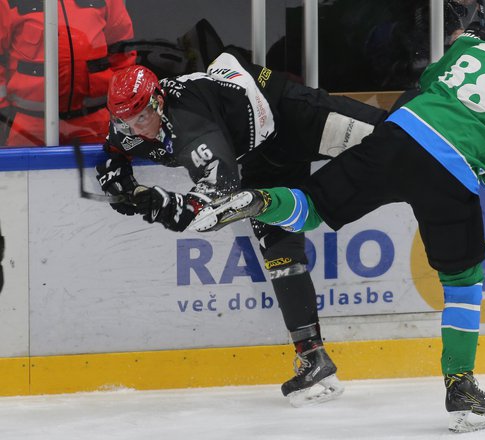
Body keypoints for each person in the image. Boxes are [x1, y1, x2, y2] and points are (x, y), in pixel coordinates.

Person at [204, 6, 485, 433]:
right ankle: (460, 386)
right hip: (450, 170)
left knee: (311, 207)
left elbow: (427, 84)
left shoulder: (469, 47)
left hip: (399, 134)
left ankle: (256, 200)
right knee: (463, 281)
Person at [95, 48, 387, 407]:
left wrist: (160, 203)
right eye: (126, 122)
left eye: (141, 118)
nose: (136, 130)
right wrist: (117, 179)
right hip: (258, 163)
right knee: (281, 257)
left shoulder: (191, 122)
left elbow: (218, 197)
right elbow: (113, 149)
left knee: (397, 138)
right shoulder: (130, 122)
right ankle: (314, 359)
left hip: (293, 118)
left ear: (158, 102)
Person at [0, 0, 135, 147]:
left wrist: (124, 105)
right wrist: (3, 112)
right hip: (28, 125)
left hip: (95, 120)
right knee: (20, 169)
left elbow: (122, 50)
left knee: (103, 168)